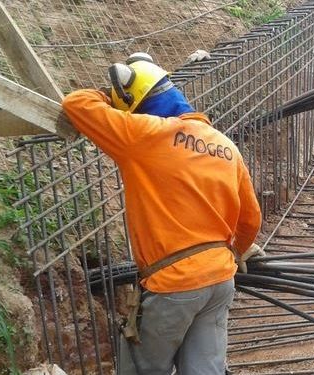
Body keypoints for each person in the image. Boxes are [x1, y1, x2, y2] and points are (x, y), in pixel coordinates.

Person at [61, 53, 263, 374]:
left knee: (142, 369)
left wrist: (109, 97)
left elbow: (77, 103)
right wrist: (236, 250)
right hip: (220, 280)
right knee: (204, 370)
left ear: (134, 103)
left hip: (173, 285)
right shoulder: (225, 146)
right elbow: (251, 219)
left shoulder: (142, 135)